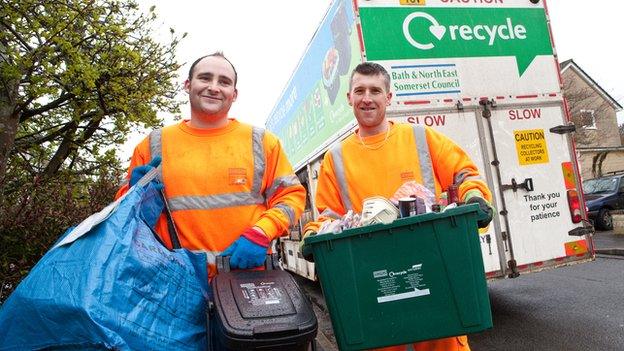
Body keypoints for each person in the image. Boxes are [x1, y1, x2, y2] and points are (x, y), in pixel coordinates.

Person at [303, 62, 493, 351]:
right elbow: (329, 216)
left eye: (375, 90)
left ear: (388, 97)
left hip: (432, 267)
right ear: (349, 98)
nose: (367, 97)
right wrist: (312, 236)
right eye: (360, 91)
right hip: (373, 281)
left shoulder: (419, 137)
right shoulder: (337, 157)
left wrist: (474, 197)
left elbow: (464, 174)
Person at [116, 52, 306, 278]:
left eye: (224, 82)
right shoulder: (151, 146)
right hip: (174, 285)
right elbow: (122, 217)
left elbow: (291, 197)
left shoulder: (262, 142)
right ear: (187, 85)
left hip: (247, 279)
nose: (214, 87)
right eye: (205, 78)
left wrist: (261, 232)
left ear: (234, 94)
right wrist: (133, 197)